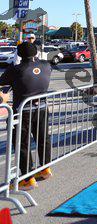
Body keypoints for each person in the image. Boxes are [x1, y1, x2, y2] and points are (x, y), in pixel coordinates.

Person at [0, 43, 53, 191]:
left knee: (22, 143)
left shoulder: (16, 69)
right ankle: (45, 168)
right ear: (36, 52)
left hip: (23, 111)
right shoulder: (46, 66)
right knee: (43, 138)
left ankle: (27, 179)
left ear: (19, 54)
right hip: (42, 108)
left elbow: (2, 82)